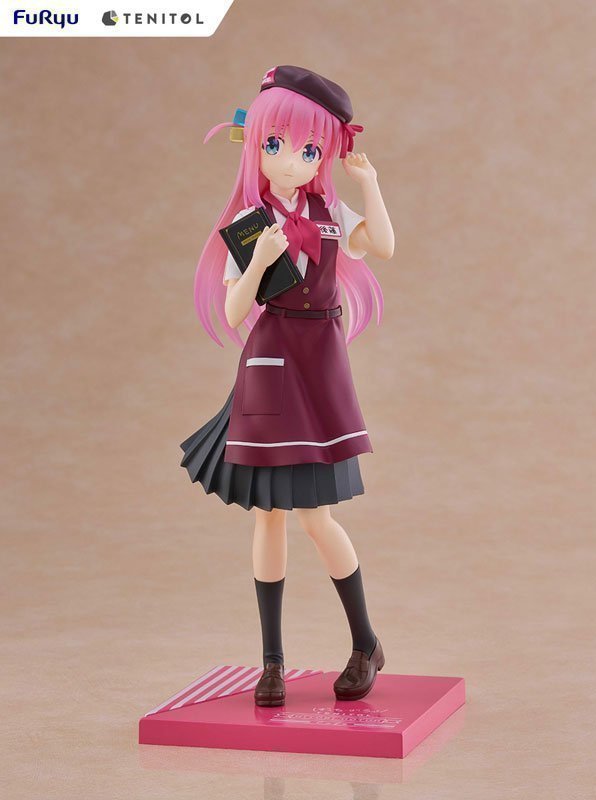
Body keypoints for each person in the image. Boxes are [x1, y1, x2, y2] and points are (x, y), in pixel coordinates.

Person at [180, 65, 395, 706]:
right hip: (270, 362)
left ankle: (366, 642)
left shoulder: (331, 212)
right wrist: (262, 261)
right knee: (269, 515)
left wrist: (370, 183)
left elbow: (382, 245)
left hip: (320, 363)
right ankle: (271, 661)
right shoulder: (251, 221)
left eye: (308, 149)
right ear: (254, 144)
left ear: (324, 154)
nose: (290, 160)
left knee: (316, 516)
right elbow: (233, 312)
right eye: (274, 144)